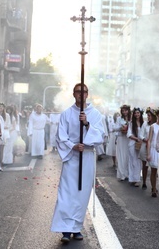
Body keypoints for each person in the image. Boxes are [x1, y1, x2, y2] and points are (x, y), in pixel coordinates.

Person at [51, 83, 105, 243]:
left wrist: (87, 124)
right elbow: (61, 136)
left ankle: (76, 227)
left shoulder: (95, 114)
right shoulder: (66, 114)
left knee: (82, 194)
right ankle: (66, 229)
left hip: (87, 157)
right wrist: (73, 145)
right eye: (78, 92)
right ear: (74, 94)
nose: (81, 95)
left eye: (84, 92)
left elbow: (101, 135)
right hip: (72, 156)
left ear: (88, 94)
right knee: (67, 193)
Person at [146, 107, 159, 197]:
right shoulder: (153, 126)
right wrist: (148, 153)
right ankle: (153, 189)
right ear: (157, 116)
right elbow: (149, 140)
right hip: (154, 150)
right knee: (154, 171)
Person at [127, 107, 144, 187]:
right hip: (132, 143)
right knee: (132, 161)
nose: (137, 114)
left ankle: (137, 179)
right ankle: (132, 178)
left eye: (138, 113)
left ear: (140, 114)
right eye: (135, 113)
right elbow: (129, 134)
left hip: (141, 144)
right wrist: (136, 138)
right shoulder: (131, 123)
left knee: (138, 161)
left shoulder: (144, 123)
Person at [114, 104, 131, 181]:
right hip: (121, 138)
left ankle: (128, 173)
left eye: (126, 110)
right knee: (121, 157)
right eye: (123, 111)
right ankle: (121, 174)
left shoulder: (131, 119)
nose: (124, 112)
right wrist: (121, 128)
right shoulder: (119, 119)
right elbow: (114, 128)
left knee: (128, 156)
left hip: (128, 139)